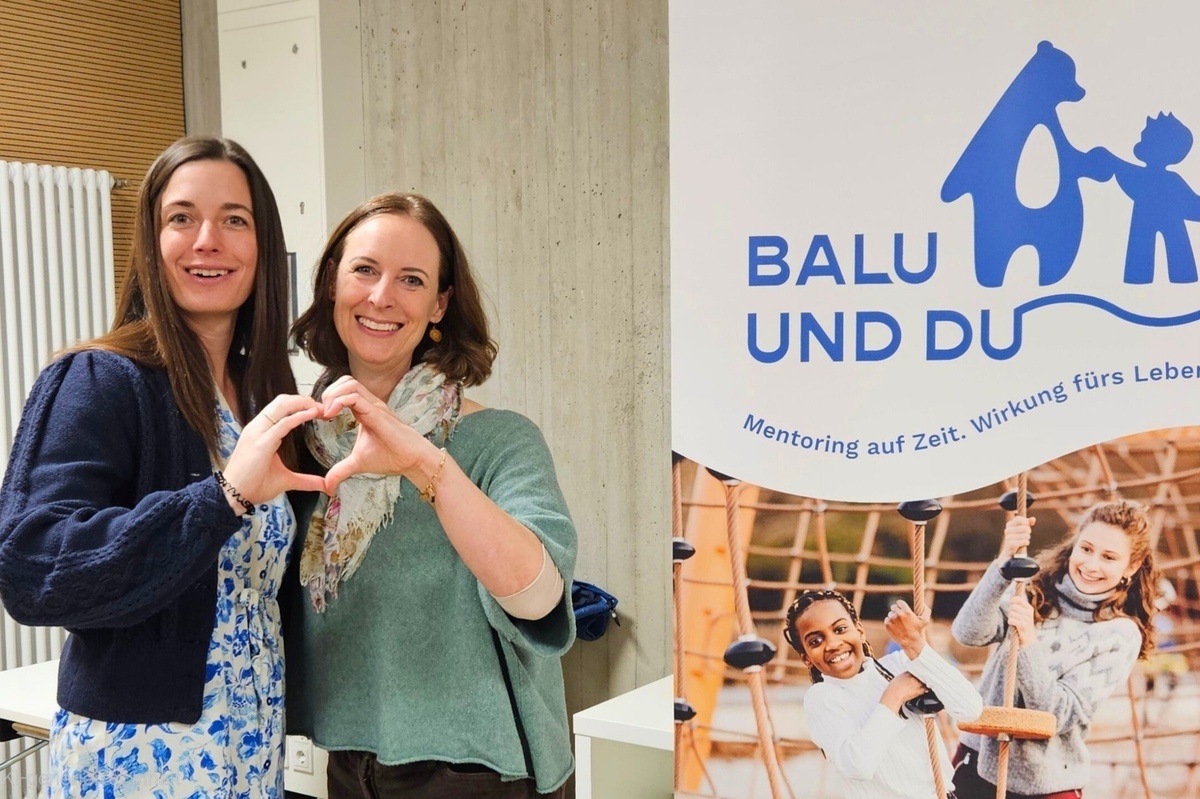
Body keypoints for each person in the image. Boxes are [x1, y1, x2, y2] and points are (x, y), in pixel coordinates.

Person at [0, 136, 325, 797]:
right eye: (182, 217)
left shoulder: (261, 397)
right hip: (142, 761)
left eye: (234, 219)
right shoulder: (100, 378)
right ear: (151, 241)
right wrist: (222, 496)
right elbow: (31, 569)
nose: (208, 240)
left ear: (263, 246)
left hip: (250, 752)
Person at [288, 192, 577, 798]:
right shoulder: (305, 445)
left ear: (439, 303)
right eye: (365, 269)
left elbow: (540, 600)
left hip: (476, 773)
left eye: (411, 280)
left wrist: (420, 461)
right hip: (346, 761)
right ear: (333, 282)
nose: (381, 296)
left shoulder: (499, 440)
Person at [950, 500, 1160, 798]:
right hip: (977, 763)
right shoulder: (1035, 591)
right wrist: (1004, 564)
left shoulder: (1119, 635)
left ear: (1132, 566)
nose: (1091, 565)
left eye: (1108, 557)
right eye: (1086, 549)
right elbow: (968, 632)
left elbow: (1056, 714)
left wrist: (1028, 641)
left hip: (1043, 785)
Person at [784, 588, 983, 799]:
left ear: (860, 631)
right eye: (816, 641)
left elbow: (970, 709)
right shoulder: (822, 697)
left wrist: (914, 643)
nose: (832, 644)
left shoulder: (899, 663)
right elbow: (858, 766)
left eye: (840, 629)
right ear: (806, 658)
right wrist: (893, 697)